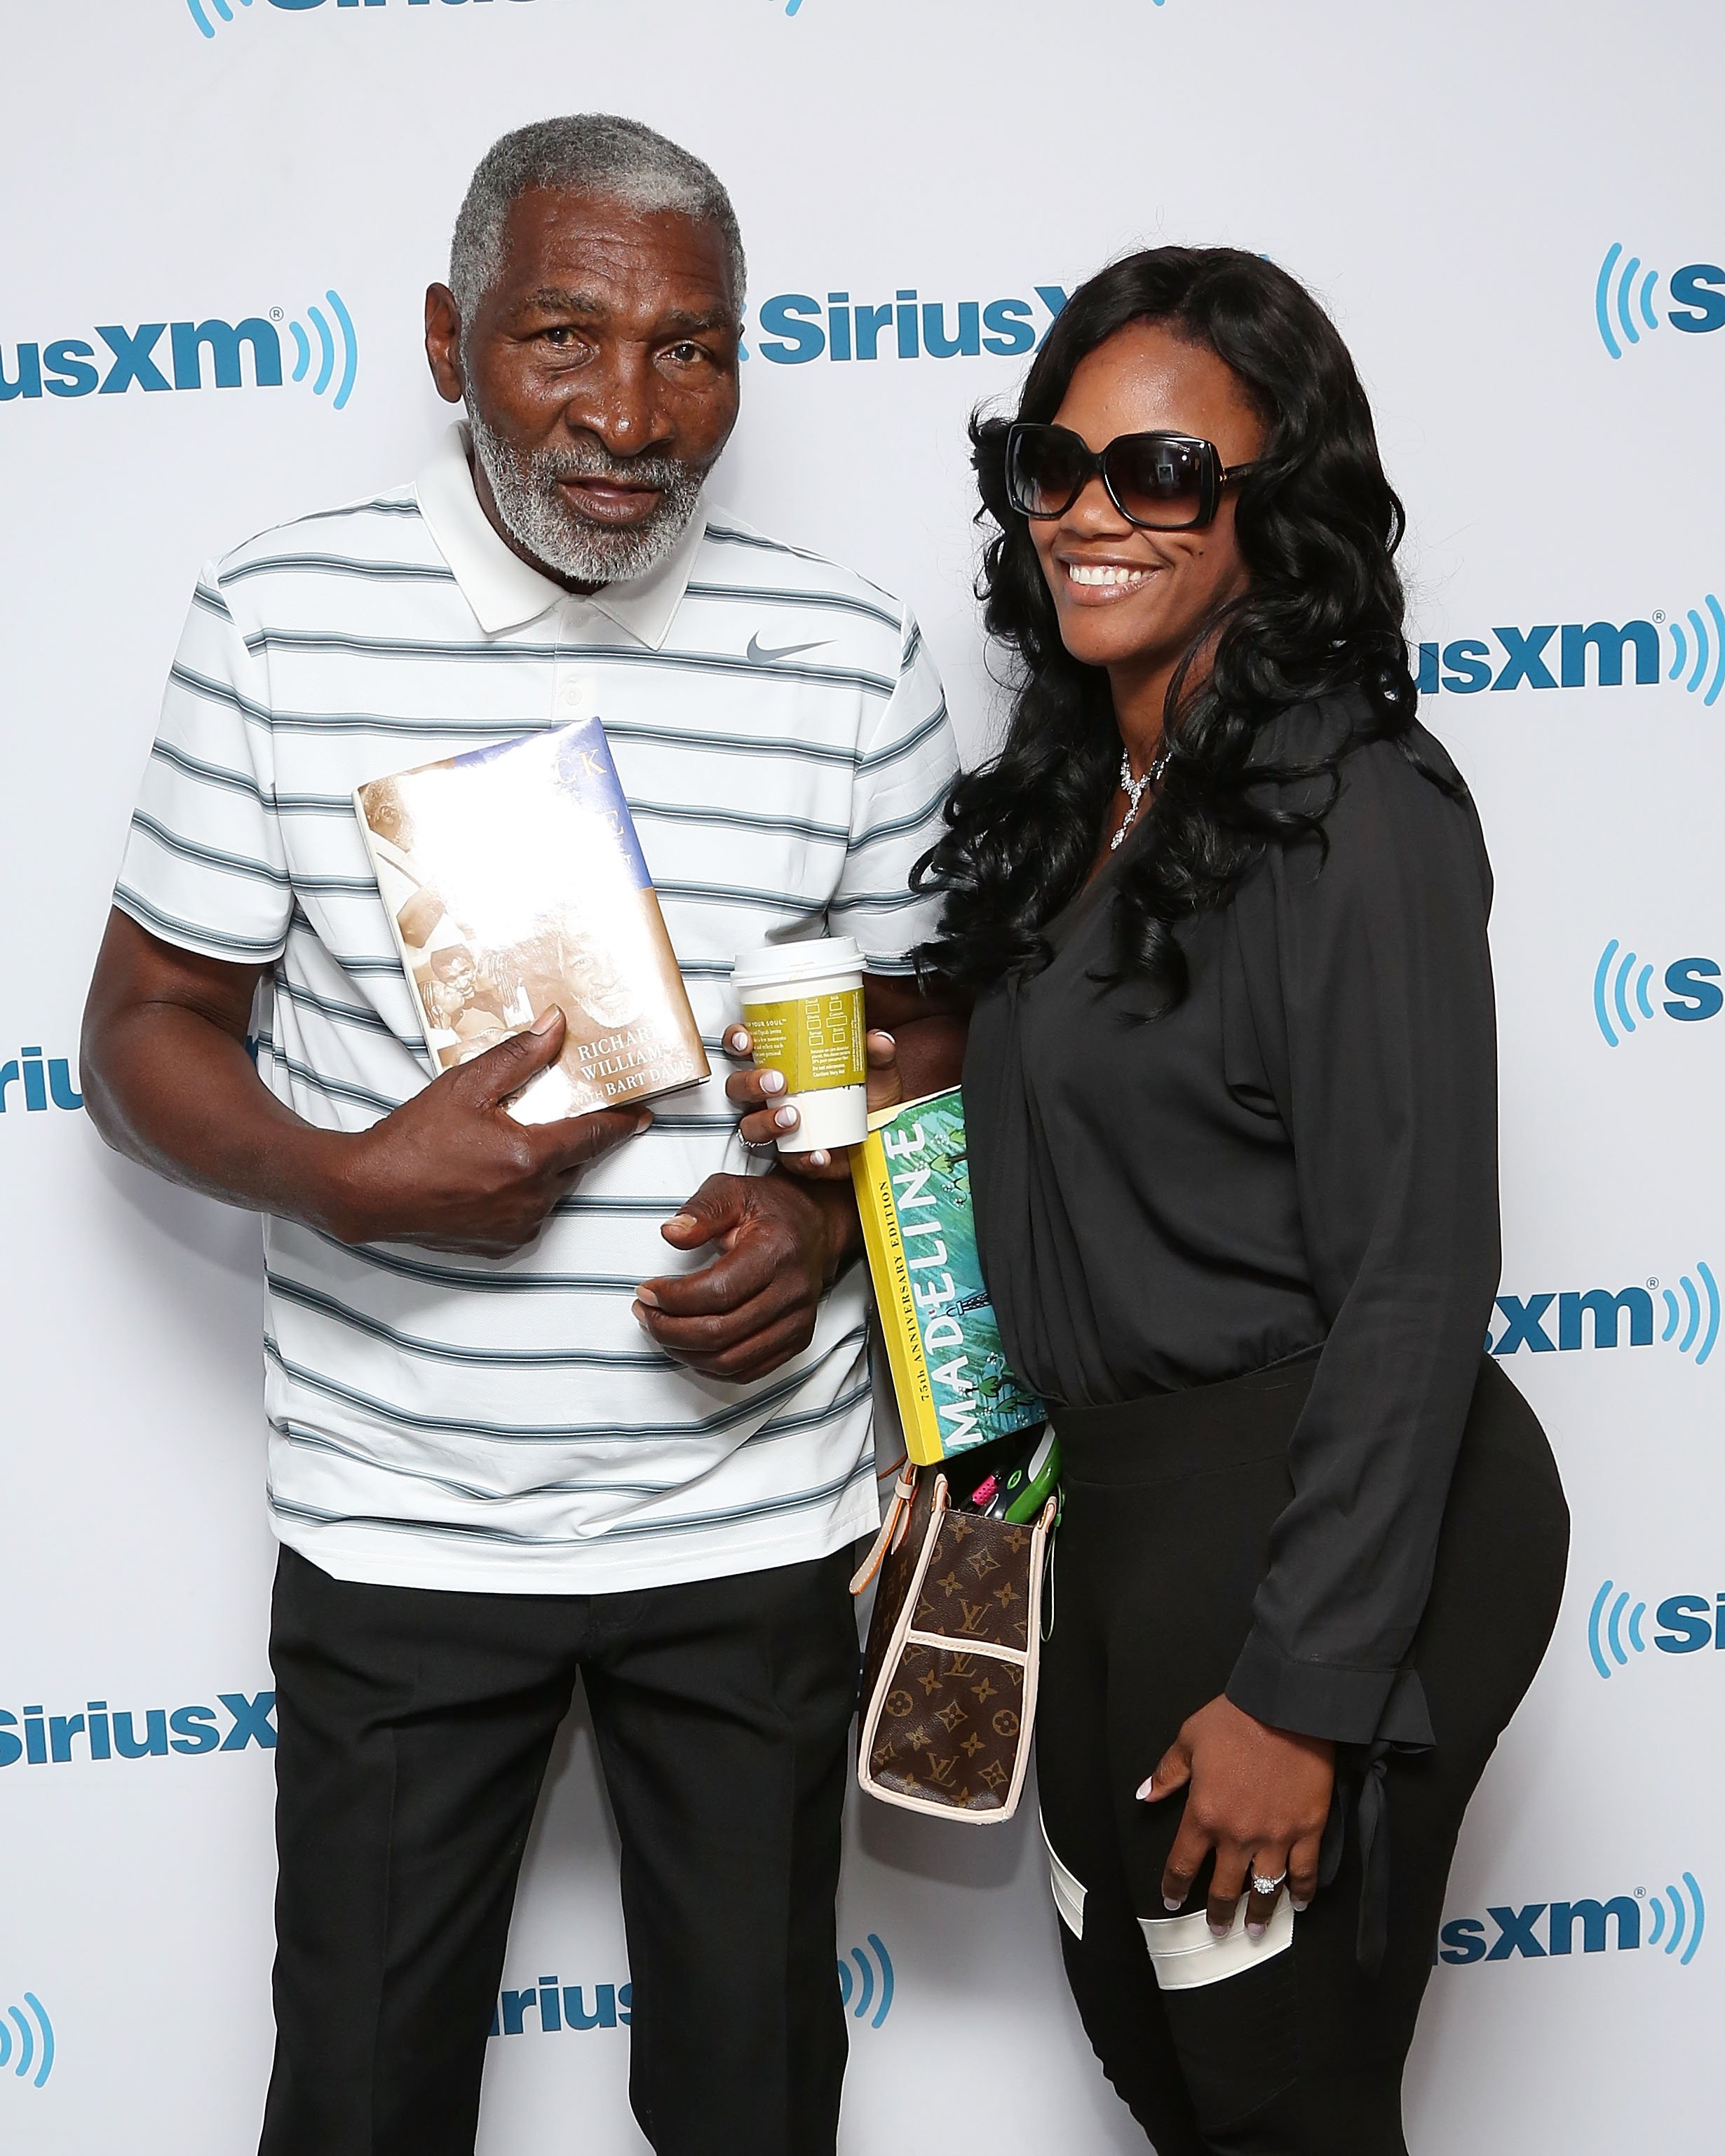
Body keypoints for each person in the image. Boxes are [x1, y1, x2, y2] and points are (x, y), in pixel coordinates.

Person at [79, 114, 961, 2156]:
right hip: (403, 1529)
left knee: (755, 2109)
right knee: (365, 2111)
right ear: (444, 337)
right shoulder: (282, 616)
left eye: (692, 349)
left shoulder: (843, 654)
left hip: (753, 1533)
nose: (631, 414)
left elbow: (936, 1027)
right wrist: (341, 1170)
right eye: (563, 336)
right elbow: (143, 1027)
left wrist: (824, 1225)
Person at [910, 249, 1570, 2152]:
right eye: (1056, 465)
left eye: (1163, 472)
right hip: (1121, 1515)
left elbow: (1417, 1267)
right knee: (1164, 2055)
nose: (1093, 515)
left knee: (1275, 2094)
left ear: (1274, 508)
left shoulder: (1352, 805)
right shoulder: (1079, 796)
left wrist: (1304, 1689)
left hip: (1319, 1503)